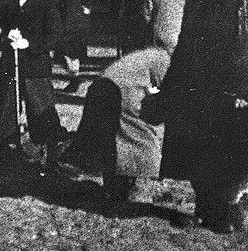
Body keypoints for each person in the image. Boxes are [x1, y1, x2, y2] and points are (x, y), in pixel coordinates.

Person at [159, 0, 248, 233]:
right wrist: (172, 79)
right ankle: (205, 208)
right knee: (198, 146)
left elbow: (245, 41)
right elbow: (186, 37)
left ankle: (228, 212)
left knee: (228, 149)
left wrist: (241, 86)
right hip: (196, 80)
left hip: (228, 82)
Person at [61, 47, 170, 200]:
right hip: (119, 94)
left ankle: (116, 186)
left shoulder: (153, 54)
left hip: (102, 88)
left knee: (112, 142)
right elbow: (170, 95)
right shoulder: (165, 59)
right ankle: (137, 188)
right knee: (136, 140)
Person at [0, 0, 66, 170]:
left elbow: (54, 35)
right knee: (6, 108)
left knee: (41, 110)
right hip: (10, 64)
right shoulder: (7, 0)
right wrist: (5, 39)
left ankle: (50, 158)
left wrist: (29, 44)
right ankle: (5, 155)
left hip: (35, 66)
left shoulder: (46, 2)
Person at [51, 0, 91, 93]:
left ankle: (76, 79)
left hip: (65, 23)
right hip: (78, 22)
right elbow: (87, 4)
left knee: (66, 53)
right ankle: (75, 79)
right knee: (72, 53)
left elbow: (54, 3)